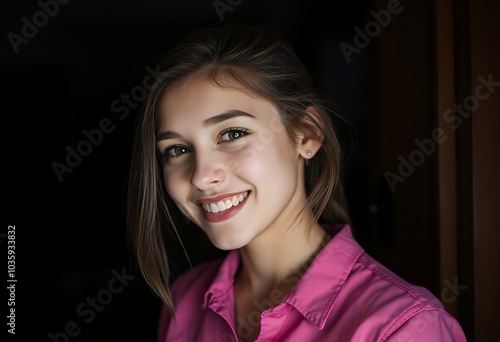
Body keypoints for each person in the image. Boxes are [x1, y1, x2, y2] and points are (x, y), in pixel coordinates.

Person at [126, 23, 467, 342]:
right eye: (178, 149)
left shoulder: (405, 327)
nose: (201, 175)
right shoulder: (183, 303)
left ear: (307, 133)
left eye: (233, 133)